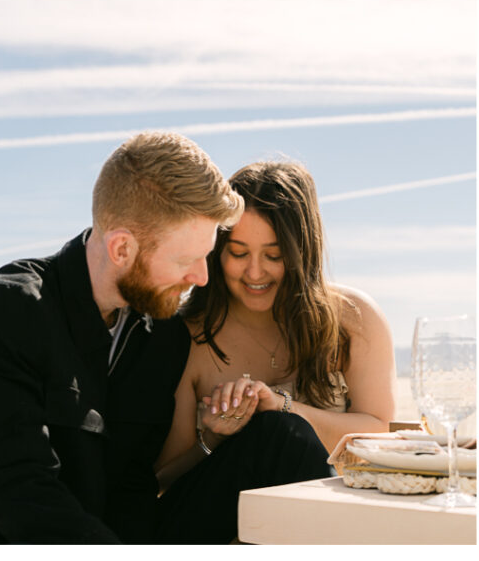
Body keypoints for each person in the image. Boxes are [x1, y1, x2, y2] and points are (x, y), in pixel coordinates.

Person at [0, 133, 330, 545]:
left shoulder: (161, 335)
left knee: (281, 440)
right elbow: (10, 487)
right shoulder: (10, 310)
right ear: (122, 248)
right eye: (187, 259)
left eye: (207, 256)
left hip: (110, 535)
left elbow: (132, 484)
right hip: (1, 537)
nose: (201, 277)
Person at [155, 159, 396, 516]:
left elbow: (380, 435)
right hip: (217, 528)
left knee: (281, 431)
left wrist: (282, 407)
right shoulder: (187, 335)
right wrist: (215, 437)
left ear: (304, 253)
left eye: (274, 255)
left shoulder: (353, 319)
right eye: (238, 253)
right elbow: (162, 479)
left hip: (323, 520)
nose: (255, 272)